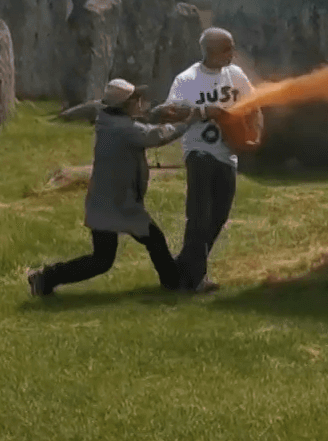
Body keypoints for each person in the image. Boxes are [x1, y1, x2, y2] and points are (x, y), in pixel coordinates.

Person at [26, 79, 212, 297]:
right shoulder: (122, 129)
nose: (141, 104)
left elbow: (140, 123)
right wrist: (189, 121)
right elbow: (155, 135)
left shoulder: (111, 120)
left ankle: (45, 278)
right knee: (146, 243)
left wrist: (161, 112)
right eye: (137, 100)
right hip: (117, 203)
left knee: (104, 259)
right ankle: (174, 283)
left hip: (109, 200)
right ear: (125, 105)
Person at [158, 28, 263, 293]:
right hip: (200, 152)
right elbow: (169, 112)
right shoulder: (188, 79)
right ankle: (195, 279)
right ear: (211, 52)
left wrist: (255, 134)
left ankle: (181, 271)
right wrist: (206, 111)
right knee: (199, 216)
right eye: (227, 48)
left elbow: (255, 105)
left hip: (228, 155)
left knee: (219, 216)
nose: (232, 53)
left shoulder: (235, 75)